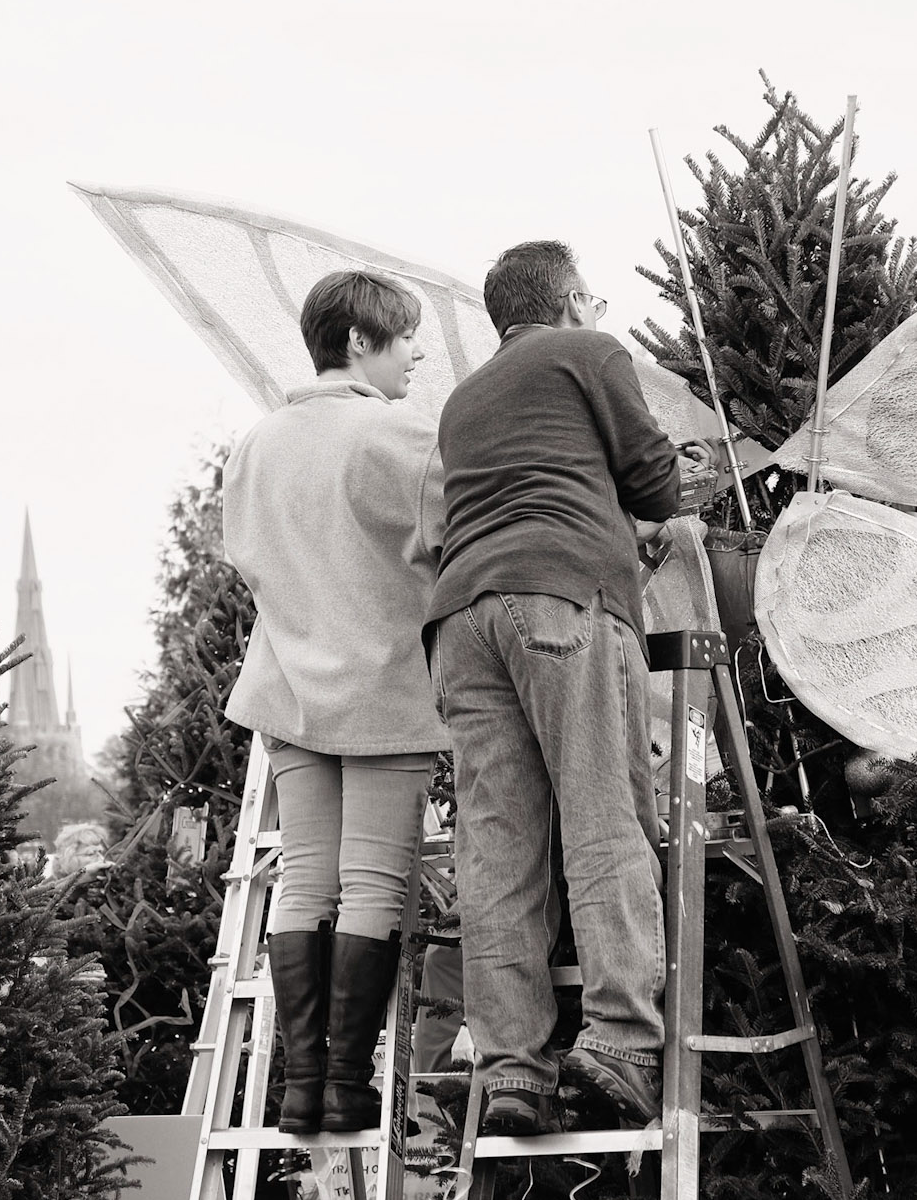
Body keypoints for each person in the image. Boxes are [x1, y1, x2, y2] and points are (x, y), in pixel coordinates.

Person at [430, 239, 693, 1136]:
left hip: (462, 622)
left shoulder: (464, 399)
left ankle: (512, 1068)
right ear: (574, 299)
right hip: (561, 596)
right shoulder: (590, 351)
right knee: (603, 812)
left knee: (498, 846)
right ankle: (621, 1038)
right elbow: (656, 483)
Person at [222, 269, 448, 1135]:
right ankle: (350, 1084)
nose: (417, 353)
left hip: (286, 682)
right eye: (406, 337)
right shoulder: (402, 435)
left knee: (305, 878)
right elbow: (457, 540)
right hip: (383, 683)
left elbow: (244, 557)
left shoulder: (256, 442)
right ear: (360, 340)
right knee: (372, 882)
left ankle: (301, 1086)